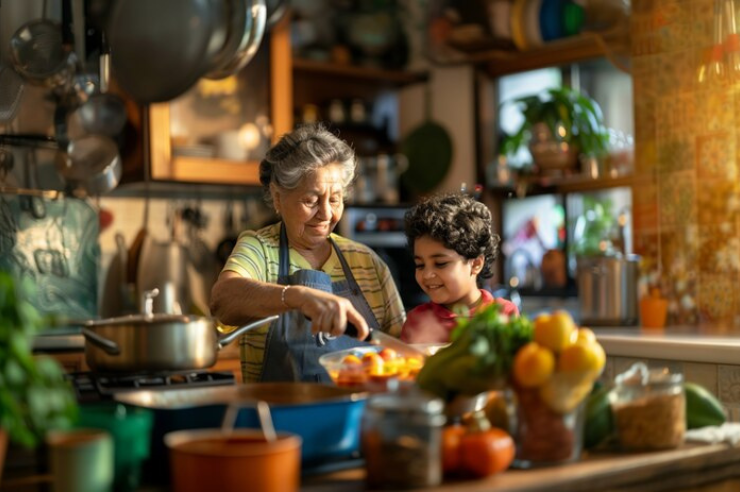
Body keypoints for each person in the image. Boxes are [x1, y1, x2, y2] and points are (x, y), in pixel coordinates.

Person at [210, 123, 406, 383]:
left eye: (335, 199)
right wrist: (297, 297)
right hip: (279, 419)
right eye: (311, 200)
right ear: (278, 198)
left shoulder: (367, 261)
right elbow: (223, 301)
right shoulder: (259, 248)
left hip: (356, 418)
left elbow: (401, 350)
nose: (326, 214)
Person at [400, 193, 519, 343]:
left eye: (440, 263)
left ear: (475, 264)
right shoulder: (416, 321)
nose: (427, 274)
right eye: (420, 265)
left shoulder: (504, 314)